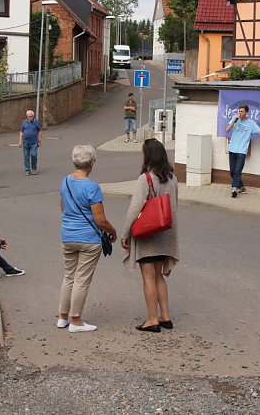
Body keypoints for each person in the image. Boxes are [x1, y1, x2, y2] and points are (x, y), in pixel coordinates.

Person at [57, 145, 117, 333]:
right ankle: (75, 321)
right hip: (89, 239)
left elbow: (63, 208)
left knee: (69, 276)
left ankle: (62, 317)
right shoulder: (92, 187)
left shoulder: (65, 182)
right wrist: (113, 231)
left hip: (68, 235)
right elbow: (100, 220)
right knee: (82, 280)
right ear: (91, 163)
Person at [121, 139, 179, 332]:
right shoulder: (172, 178)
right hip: (165, 233)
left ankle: (152, 320)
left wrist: (125, 233)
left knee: (148, 277)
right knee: (158, 276)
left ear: (148, 156)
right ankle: (165, 316)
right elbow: (174, 205)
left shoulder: (145, 179)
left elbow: (134, 209)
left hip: (148, 234)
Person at [225, 104, 260, 198]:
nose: (240, 113)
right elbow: (227, 129)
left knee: (238, 170)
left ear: (246, 112)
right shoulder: (235, 119)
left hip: (242, 150)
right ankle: (241, 187)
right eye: (239, 111)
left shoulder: (251, 123)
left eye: (242, 111)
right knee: (232, 171)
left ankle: (234, 189)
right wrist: (234, 119)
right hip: (232, 149)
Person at [18, 110, 42, 176]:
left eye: (31, 116)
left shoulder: (36, 122)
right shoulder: (24, 122)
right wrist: (20, 141)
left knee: (34, 155)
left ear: (33, 116)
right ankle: (27, 170)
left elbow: (39, 131)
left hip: (34, 142)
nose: (30, 117)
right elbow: (21, 132)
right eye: (29, 116)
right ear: (27, 116)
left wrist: (39, 140)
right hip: (25, 142)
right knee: (26, 157)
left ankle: (34, 168)